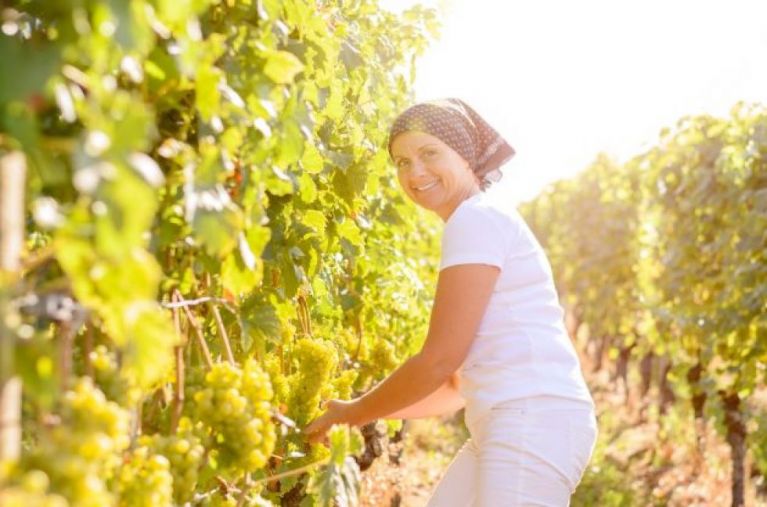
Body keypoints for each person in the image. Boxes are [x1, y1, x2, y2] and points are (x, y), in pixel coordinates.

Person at [304, 98, 598, 506]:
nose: (415, 171)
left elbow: (438, 360)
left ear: (465, 156)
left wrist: (353, 411)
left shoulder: (475, 219)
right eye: (402, 162)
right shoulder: (481, 218)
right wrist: (360, 414)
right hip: (510, 422)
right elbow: (456, 387)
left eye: (429, 153)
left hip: (531, 422)